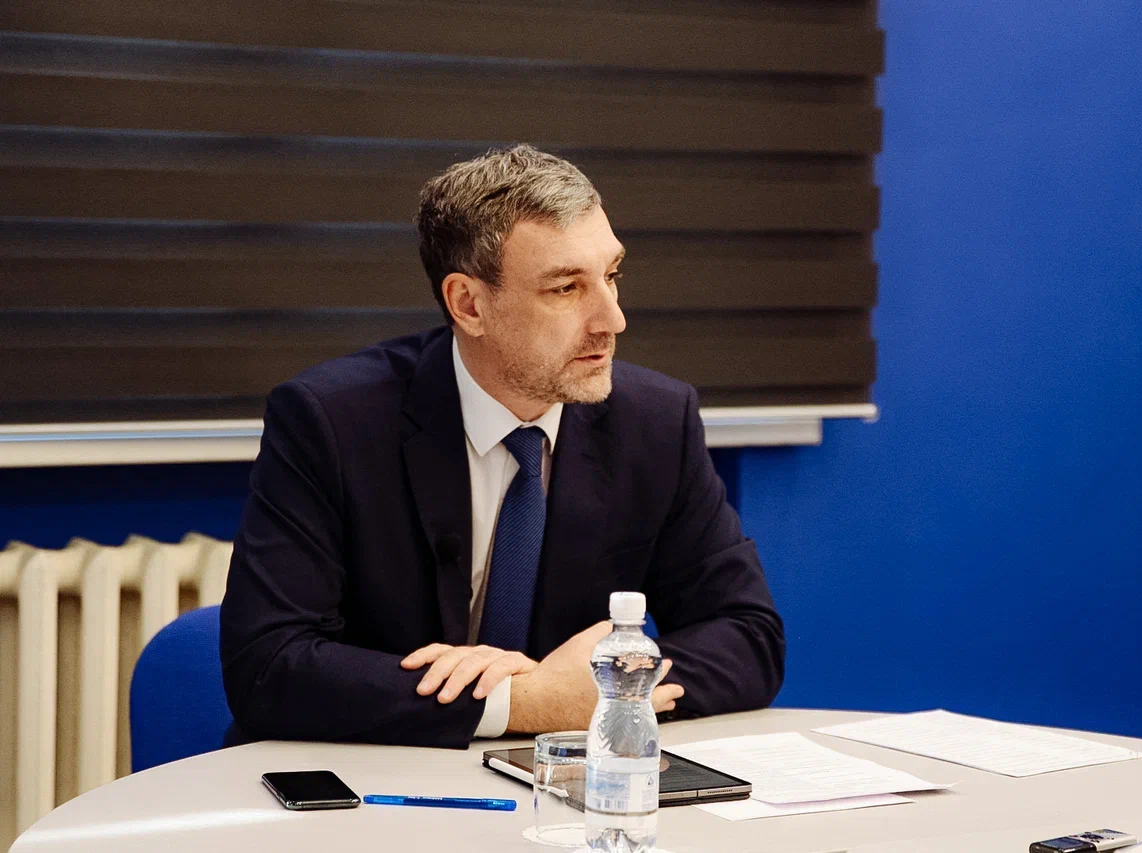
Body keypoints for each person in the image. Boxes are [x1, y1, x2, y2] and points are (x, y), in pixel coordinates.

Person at [219, 144, 785, 748]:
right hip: (374, 776)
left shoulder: (655, 422)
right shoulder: (332, 421)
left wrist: (613, 682)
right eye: (565, 288)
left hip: (565, 785)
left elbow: (748, 637)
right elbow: (268, 665)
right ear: (469, 304)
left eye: (612, 277)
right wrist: (521, 703)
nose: (612, 320)